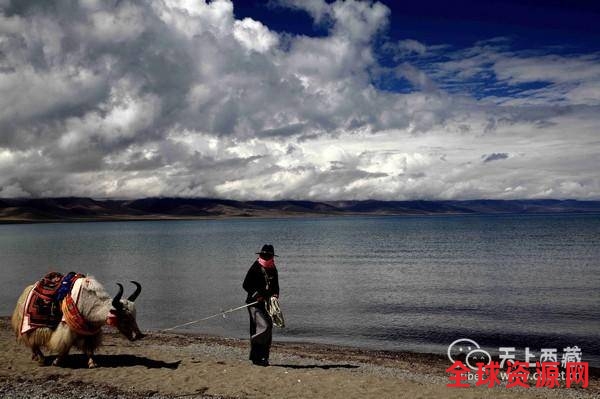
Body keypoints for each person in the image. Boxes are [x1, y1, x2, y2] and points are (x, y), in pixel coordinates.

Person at [242, 244, 279, 366]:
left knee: (268, 331)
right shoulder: (255, 268)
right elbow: (246, 285)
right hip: (254, 304)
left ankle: (263, 357)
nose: (267, 258)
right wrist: (257, 295)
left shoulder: (272, 267)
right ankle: (256, 355)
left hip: (268, 303)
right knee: (263, 327)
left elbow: (275, 286)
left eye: (269, 256)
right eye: (265, 255)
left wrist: (275, 295)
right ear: (261, 255)